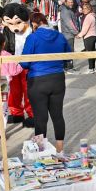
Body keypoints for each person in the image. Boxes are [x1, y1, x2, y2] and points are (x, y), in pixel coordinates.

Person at [21, 15, 70, 152]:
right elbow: (69, 55)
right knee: (58, 115)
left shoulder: (32, 38)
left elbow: (24, 62)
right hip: (58, 79)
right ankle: (60, 149)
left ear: (35, 24)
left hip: (38, 81)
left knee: (40, 118)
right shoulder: (59, 36)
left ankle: (41, 151)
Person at [76, 2, 96, 74]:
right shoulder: (91, 15)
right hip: (92, 36)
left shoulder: (88, 17)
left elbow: (85, 29)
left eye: (86, 8)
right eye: (83, 8)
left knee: (90, 53)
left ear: (89, 9)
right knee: (92, 52)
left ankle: (91, 69)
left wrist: (79, 35)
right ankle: (93, 68)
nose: (84, 10)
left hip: (89, 37)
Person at [59, 0, 79, 72]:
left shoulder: (67, 10)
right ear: (66, 2)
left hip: (68, 34)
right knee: (70, 51)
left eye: (72, 2)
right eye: (69, 2)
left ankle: (66, 67)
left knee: (67, 51)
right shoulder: (66, 11)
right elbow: (69, 23)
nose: (71, 4)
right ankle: (69, 68)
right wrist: (76, 33)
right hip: (68, 34)